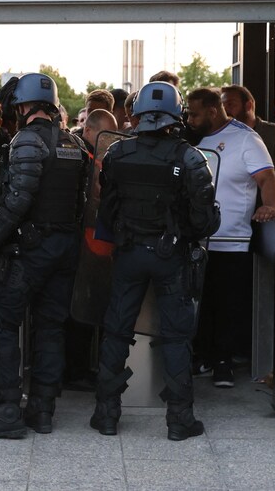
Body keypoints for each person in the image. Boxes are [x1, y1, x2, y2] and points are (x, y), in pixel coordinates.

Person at [90, 81, 220, 441]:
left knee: (116, 332)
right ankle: (179, 420)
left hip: (129, 254)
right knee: (177, 338)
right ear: (175, 115)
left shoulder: (117, 153)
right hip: (171, 257)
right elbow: (205, 220)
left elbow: (108, 206)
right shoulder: (191, 158)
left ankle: (106, 415)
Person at [0, 73, 89, 438]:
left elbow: (18, 197)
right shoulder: (74, 144)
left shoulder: (26, 141)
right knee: (50, 328)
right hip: (64, 249)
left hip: (29, 250)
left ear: (23, 106)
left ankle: (6, 413)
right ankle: (42, 412)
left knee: (0, 325)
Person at [187, 88, 275, 387]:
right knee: (201, 302)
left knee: (227, 304)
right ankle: (202, 356)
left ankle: (223, 363)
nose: (189, 118)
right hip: (197, 239)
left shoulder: (246, 138)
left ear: (212, 111)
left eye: (194, 113)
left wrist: (270, 206)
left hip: (232, 239)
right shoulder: (194, 139)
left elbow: (267, 178)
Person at [221, 85, 275, 174]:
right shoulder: (222, 137)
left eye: (230, 104)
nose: (225, 111)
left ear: (248, 105)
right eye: (222, 106)